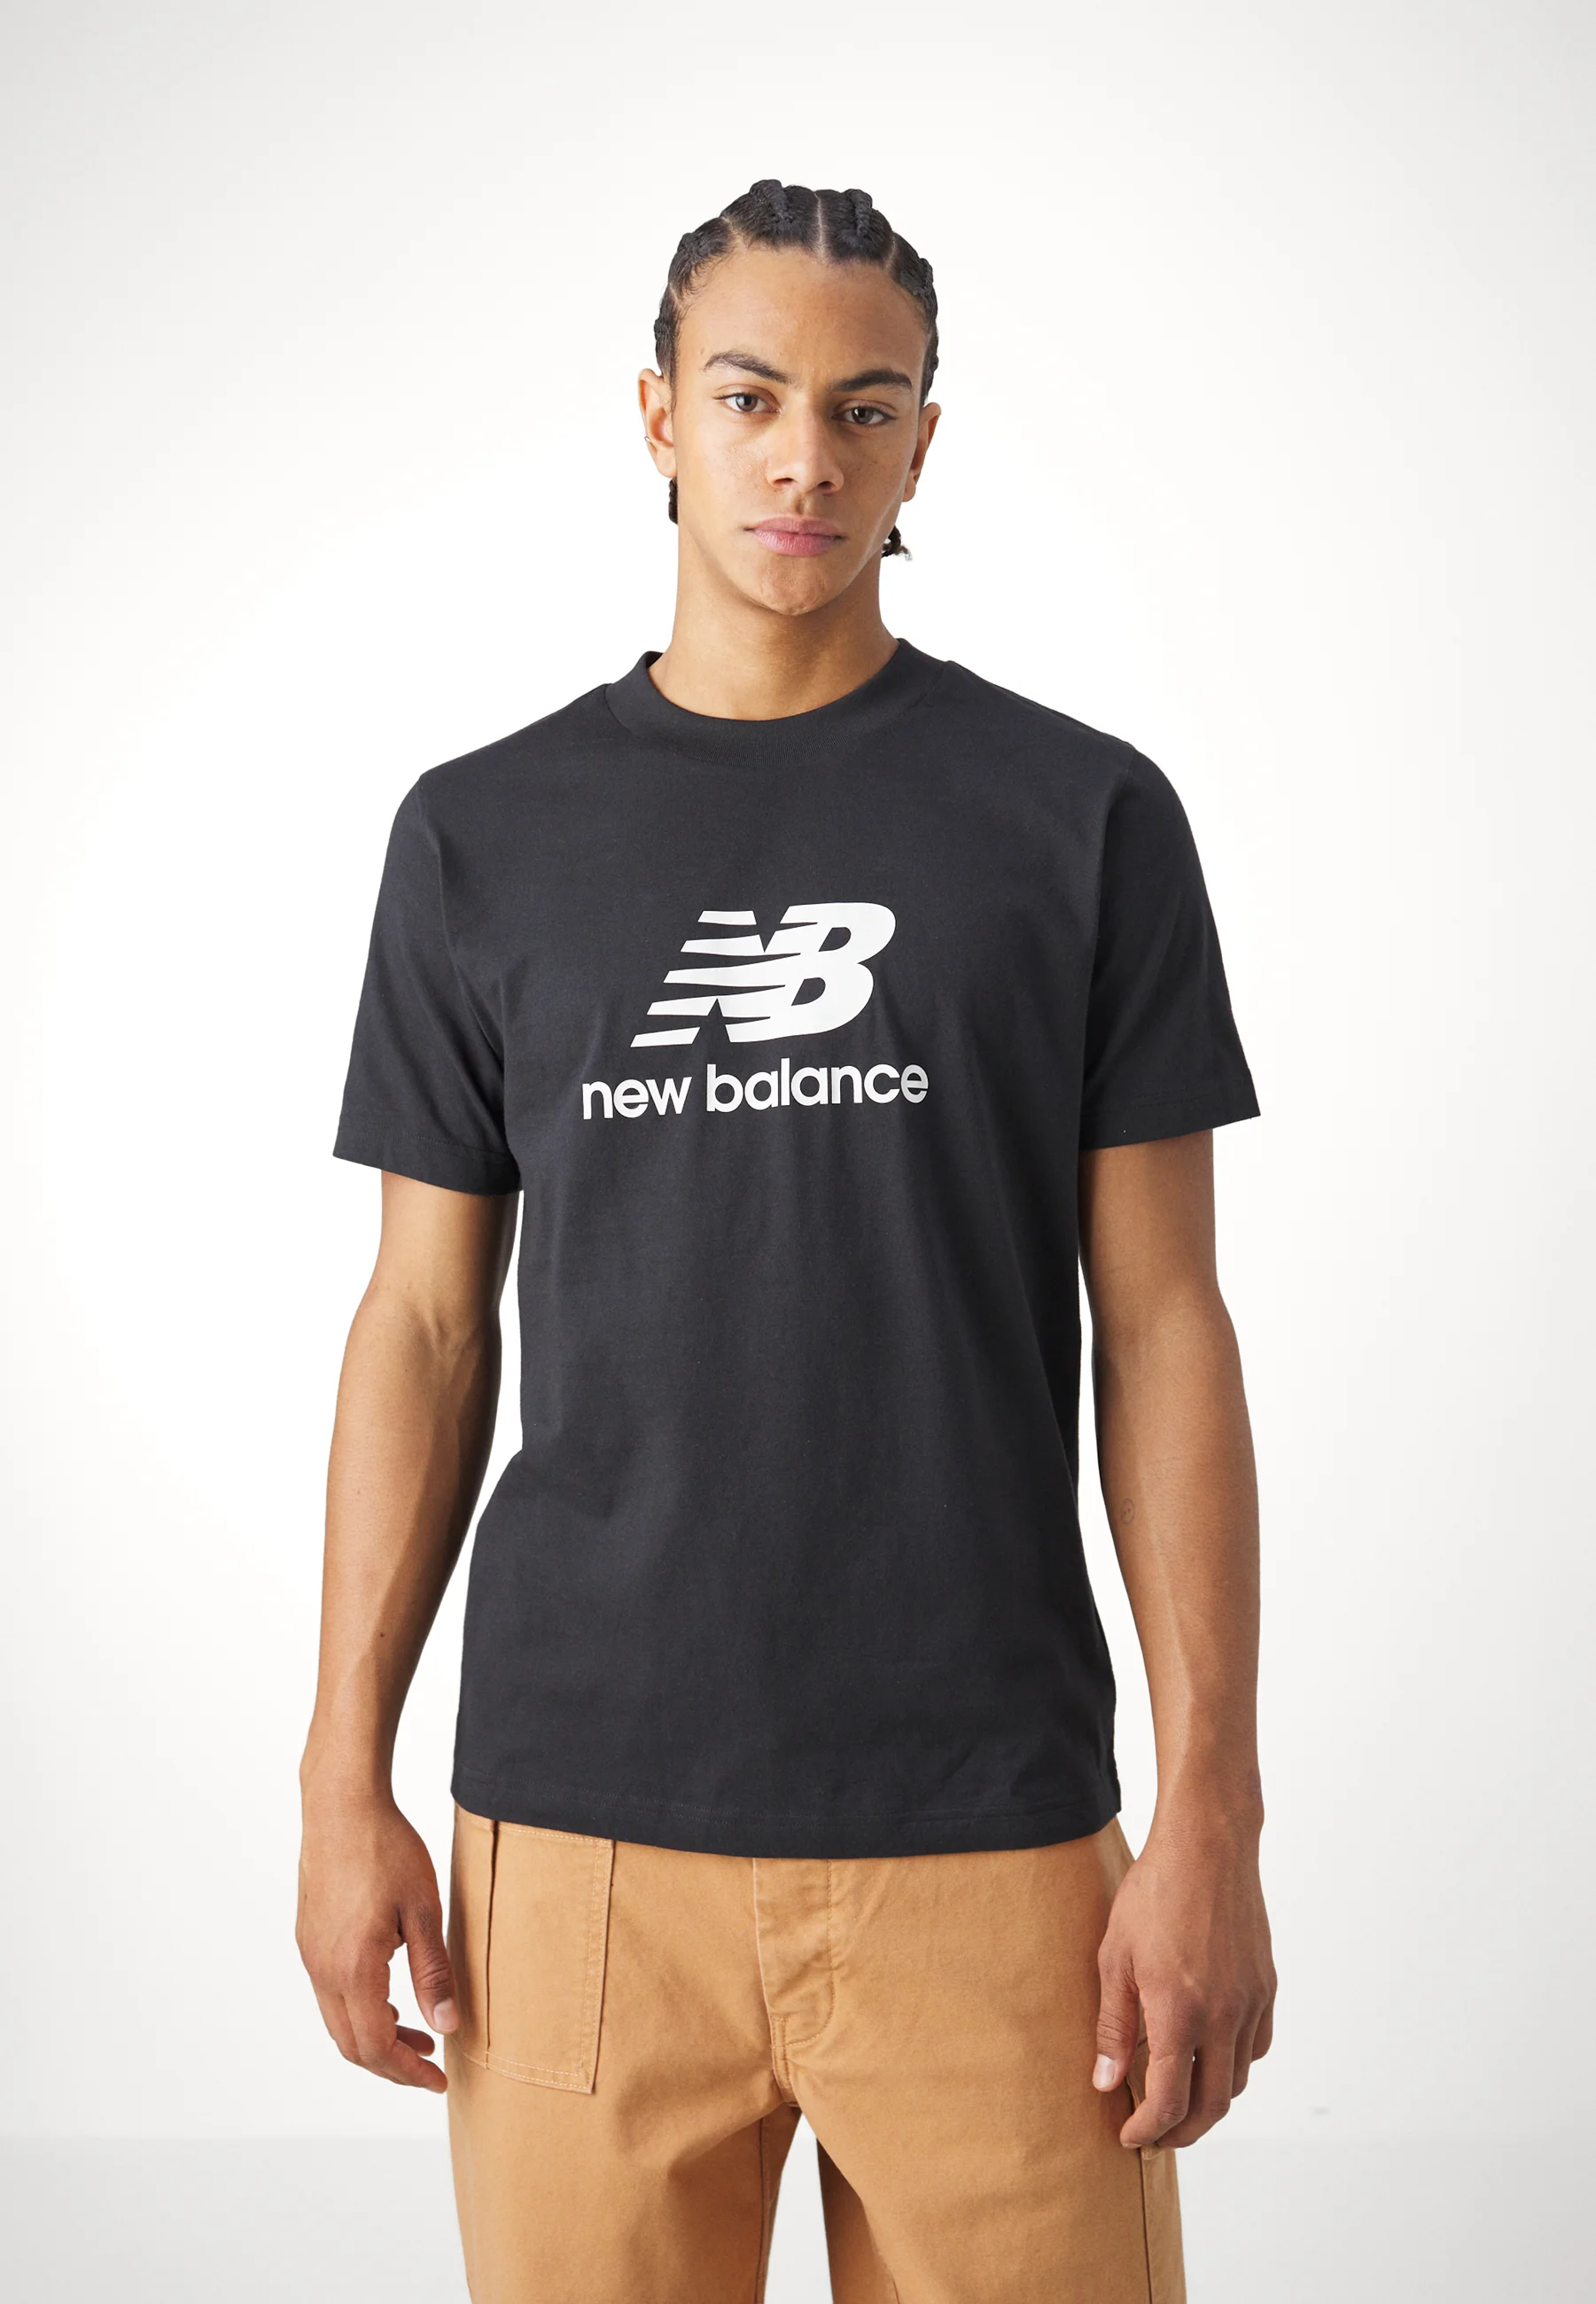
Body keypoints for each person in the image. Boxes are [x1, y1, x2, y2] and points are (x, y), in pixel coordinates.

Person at [297, 178, 1275, 2304]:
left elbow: (1166, 1327)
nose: (804, 458)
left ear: (926, 439)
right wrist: (336, 1772)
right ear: (659, 414)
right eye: (749, 398)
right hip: (579, 1850)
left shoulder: (1082, 820)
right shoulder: (481, 835)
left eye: (863, 406)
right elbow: (424, 1327)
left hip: (992, 1843)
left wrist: (1214, 1807)